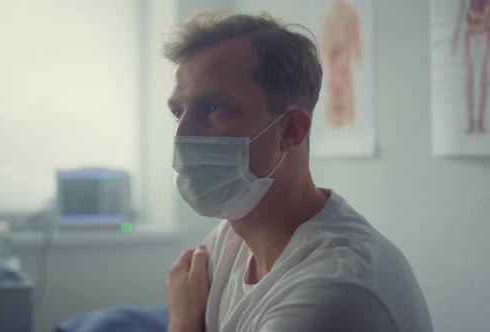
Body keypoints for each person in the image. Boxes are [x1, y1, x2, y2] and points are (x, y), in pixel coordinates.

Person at [163, 12, 434, 332]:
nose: (182, 136)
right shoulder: (231, 235)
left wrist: (181, 322)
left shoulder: (333, 293)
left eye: (213, 108)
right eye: (178, 112)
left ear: (290, 130)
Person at [321, 0, 362, 128]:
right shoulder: (329, 15)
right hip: (336, 59)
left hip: (342, 57)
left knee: (343, 87)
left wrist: (358, 55)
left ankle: (344, 117)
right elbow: (325, 39)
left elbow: (355, 37)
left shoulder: (349, 14)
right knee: (336, 87)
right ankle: (336, 118)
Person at [452, 0, 489, 133]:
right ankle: (471, 123)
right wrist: (456, 36)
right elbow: (462, 12)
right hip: (473, 31)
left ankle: (480, 123)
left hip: (484, 31)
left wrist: (483, 21)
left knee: (483, 79)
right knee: (470, 79)